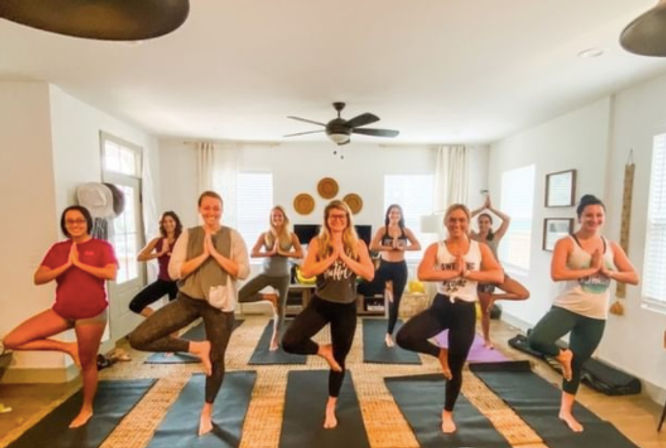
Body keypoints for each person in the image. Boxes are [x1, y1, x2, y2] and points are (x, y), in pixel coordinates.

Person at [128, 191, 249, 436]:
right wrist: (203, 255)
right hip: (189, 300)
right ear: (199, 209)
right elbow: (174, 272)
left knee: (216, 360)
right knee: (139, 338)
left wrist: (216, 255)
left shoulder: (233, 236)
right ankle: (196, 348)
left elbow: (243, 271)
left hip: (220, 305)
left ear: (222, 210)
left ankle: (207, 411)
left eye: (216, 208)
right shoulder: (188, 235)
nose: (211, 212)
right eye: (207, 208)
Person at [528, 194, 638, 433]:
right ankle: (561, 355)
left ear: (604, 218)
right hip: (568, 306)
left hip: (596, 315)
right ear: (579, 217)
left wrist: (610, 273)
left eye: (599, 215)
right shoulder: (567, 243)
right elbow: (557, 273)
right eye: (589, 215)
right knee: (536, 338)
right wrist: (592, 268)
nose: (594, 219)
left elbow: (633, 276)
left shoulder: (612, 247)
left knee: (577, 364)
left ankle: (566, 411)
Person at [3, 205, 117, 428]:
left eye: (79, 221)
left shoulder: (101, 246)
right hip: (62, 310)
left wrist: (80, 264)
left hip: (91, 313)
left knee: (87, 363)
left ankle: (86, 408)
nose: (74, 225)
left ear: (87, 223)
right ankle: (68, 348)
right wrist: (66, 265)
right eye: (70, 221)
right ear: (64, 225)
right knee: (12, 340)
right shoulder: (58, 249)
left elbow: (110, 273)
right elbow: (39, 278)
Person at [396, 203, 503, 434]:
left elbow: (497, 274)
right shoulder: (437, 248)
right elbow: (423, 273)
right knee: (404, 337)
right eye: (452, 220)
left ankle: (447, 413)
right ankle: (439, 353)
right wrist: (453, 272)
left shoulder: (480, 248)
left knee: (455, 369)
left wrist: (468, 273)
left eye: (461, 220)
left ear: (468, 222)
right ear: (446, 222)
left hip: (464, 311)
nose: (457, 224)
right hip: (441, 306)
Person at [281, 200, 374, 429]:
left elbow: (369, 274)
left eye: (342, 216)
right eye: (333, 216)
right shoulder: (317, 242)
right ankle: (324, 350)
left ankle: (331, 405)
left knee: (339, 362)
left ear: (348, 219)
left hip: (346, 308)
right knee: (289, 341)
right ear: (326, 219)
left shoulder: (358, 244)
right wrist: (333, 257)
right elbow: (307, 271)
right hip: (321, 304)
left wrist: (345, 256)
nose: (337, 220)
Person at [238, 205, 303, 350]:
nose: (277, 218)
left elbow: (300, 254)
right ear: (271, 218)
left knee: (280, 309)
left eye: (279, 216)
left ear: (284, 218)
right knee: (240, 296)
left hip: (283, 276)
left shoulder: (291, 236)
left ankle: (275, 337)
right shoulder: (265, 235)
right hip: (266, 274)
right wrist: (270, 253)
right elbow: (253, 253)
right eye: (274, 216)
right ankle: (269, 297)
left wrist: (282, 252)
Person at [470, 196, 529, 347]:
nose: (483, 224)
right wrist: (482, 208)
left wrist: (490, 208)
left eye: (486, 222)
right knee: (486, 313)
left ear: (490, 224)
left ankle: (495, 297)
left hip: (499, 275)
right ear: (477, 224)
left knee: (523, 294)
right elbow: (465, 216)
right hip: (483, 280)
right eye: (481, 222)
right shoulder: (472, 237)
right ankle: (487, 339)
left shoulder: (495, 236)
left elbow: (507, 219)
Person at [358, 204, 420, 347]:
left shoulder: (405, 231)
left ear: (401, 215)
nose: (394, 215)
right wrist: (390, 247)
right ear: (388, 215)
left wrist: (403, 247)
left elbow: (417, 245)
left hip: (400, 268)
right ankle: (386, 286)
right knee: (364, 288)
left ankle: (389, 335)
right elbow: (372, 246)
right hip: (385, 266)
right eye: (392, 212)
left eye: (397, 213)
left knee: (395, 303)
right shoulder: (383, 230)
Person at [128, 211, 182, 317]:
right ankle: (161, 321)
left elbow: (190, 258)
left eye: (171, 221)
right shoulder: (157, 240)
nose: (168, 224)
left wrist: (174, 256)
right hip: (162, 281)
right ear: (161, 224)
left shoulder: (182, 240)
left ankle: (174, 333)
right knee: (135, 305)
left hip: (178, 282)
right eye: (164, 222)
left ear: (176, 223)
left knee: (176, 317)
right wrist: (160, 253)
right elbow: (140, 257)